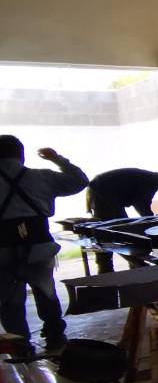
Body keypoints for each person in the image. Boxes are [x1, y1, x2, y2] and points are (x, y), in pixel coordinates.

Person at [0, 135, 88, 353]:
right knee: (46, 293)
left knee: (10, 303)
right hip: (39, 248)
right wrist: (57, 159)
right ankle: (56, 339)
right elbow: (80, 181)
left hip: (2, 251)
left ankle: (20, 350)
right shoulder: (41, 177)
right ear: (21, 155)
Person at [88, 166, 158, 272]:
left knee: (125, 231)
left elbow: (142, 203)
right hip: (102, 193)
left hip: (107, 194)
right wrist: (152, 221)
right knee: (107, 233)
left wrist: (150, 219)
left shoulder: (151, 179)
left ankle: (134, 265)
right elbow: (141, 203)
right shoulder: (152, 181)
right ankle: (105, 270)